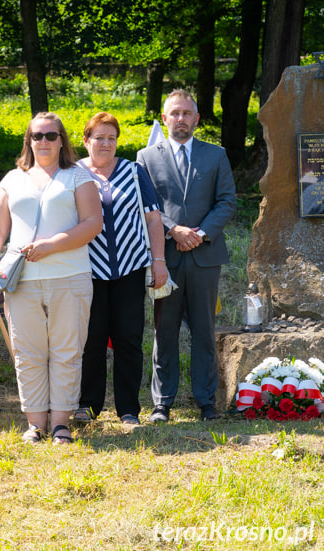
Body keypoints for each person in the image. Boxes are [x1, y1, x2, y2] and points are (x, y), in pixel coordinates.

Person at [0, 112, 102, 445]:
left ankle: (61, 422)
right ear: (28, 140)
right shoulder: (11, 179)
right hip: (22, 279)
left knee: (67, 351)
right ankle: (35, 423)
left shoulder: (78, 176)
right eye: (38, 136)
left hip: (70, 275)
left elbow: (92, 223)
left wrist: (52, 245)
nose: (44, 142)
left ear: (62, 140)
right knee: (28, 351)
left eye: (51, 135)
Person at [136, 89, 237, 423]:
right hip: (164, 257)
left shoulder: (216, 155)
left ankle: (206, 401)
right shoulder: (146, 157)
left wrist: (200, 234)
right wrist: (173, 230)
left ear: (197, 119)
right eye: (174, 113)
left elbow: (226, 201)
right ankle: (162, 402)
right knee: (164, 331)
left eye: (186, 113)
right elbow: (144, 204)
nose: (180, 119)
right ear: (164, 119)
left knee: (204, 331)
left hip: (205, 256)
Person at [74, 112, 167, 426]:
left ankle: (128, 409)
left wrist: (159, 261)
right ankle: (88, 405)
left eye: (111, 138)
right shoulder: (73, 174)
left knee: (128, 339)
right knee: (92, 339)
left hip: (130, 268)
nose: (105, 144)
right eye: (99, 137)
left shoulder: (133, 171)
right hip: (88, 270)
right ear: (86, 141)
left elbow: (153, 219)